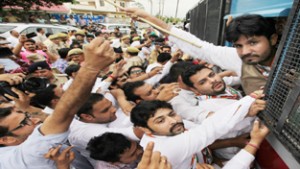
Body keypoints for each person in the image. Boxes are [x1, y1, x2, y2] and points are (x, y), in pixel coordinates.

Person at [0, 36, 116, 168]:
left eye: (27, 116)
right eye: (25, 122)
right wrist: (91, 67)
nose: (36, 120)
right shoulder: (28, 154)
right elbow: (66, 112)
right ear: (6, 139)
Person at [122, 8, 279, 95]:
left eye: (253, 43)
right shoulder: (237, 58)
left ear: (273, 39)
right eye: (238, 45)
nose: (245, 52)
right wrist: (149, 18)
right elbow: (198, 47)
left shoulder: (290, 62)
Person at [130, 96, 265, 169]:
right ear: (145, 130)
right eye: (160, 121)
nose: (173, 121)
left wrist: (246, 113)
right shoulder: (164, 149)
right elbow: (210, 129)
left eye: (172, 114)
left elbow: (211, 126)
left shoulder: (174, 128)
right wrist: (254, 143)